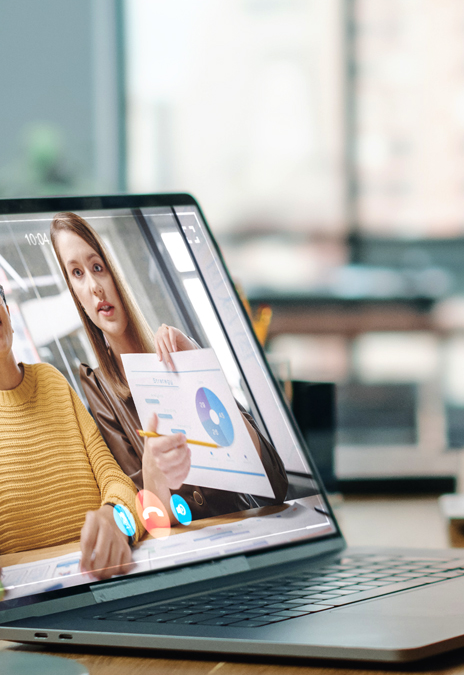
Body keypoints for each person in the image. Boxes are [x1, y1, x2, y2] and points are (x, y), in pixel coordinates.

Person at [0, 238, 139, 585]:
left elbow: (115, 480)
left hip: (111, 575)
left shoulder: (52, 381)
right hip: (42, 595)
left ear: (5, 307)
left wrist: (116, 517)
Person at [46, 211, 285, 517]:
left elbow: (276, 485)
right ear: (75, 294)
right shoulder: (99, 388)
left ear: (115, 272)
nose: (94, 286)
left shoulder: (178, 348)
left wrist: (206, 377)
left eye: (97, 267)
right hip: (189, 546)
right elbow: (148, 510)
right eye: (77, 274)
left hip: (247, 529)